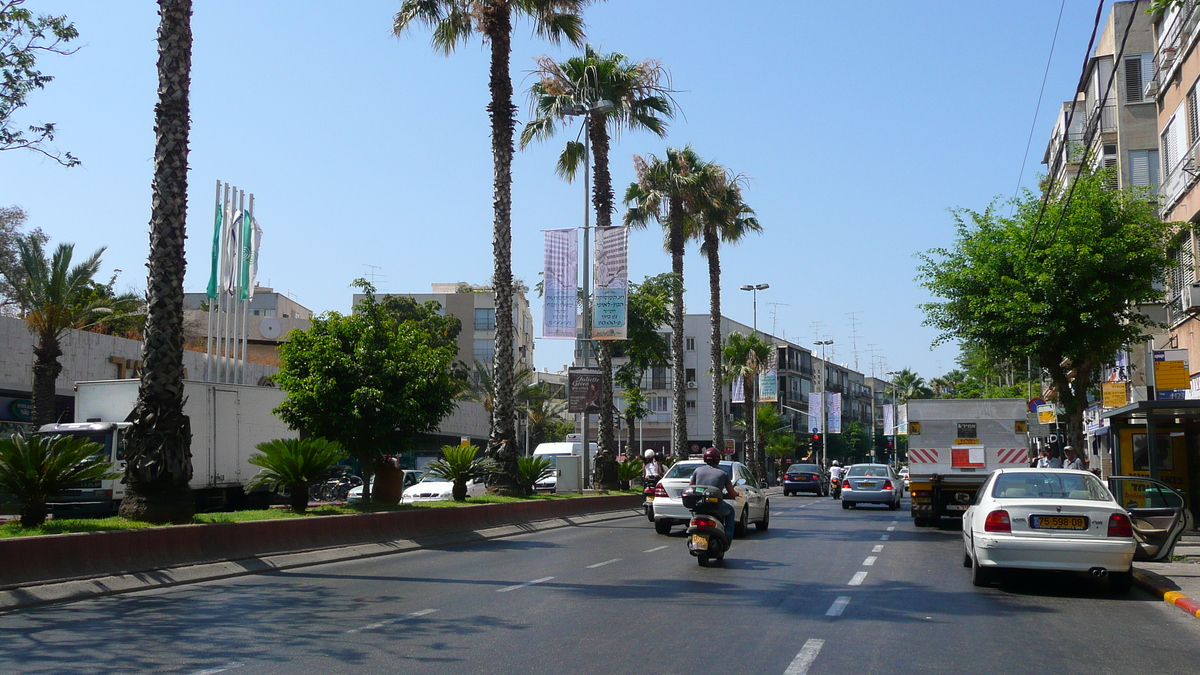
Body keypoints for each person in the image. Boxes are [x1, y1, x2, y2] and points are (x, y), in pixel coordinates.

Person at [689, 447, 739, 538]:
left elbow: (691, 487)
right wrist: (736, 494)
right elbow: (731, 493)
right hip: (715, 506)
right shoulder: (723, 473)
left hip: (699, 505)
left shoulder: (697, 471)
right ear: (718, 459)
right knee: (730, 511)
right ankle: (728, 536)